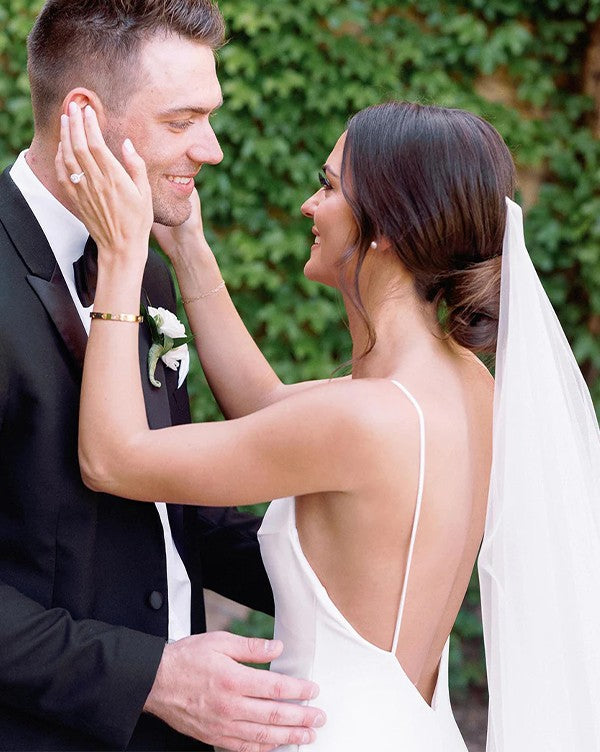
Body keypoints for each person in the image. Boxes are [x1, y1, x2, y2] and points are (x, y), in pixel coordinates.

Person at [61, 98, 600, 752]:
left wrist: (122, 258)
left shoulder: (360, 419)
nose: (308, 207)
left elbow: (113, 459)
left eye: (329, 187)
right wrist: (188, 247)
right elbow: (267, 407)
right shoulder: (460, 386)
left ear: (388, 230)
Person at [0, 0, 325, 752]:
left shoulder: (142, 265)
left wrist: (340, 582)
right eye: (182, 120)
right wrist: (151, 676)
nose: (210, 149)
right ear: (84, 116)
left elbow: (177, 502)